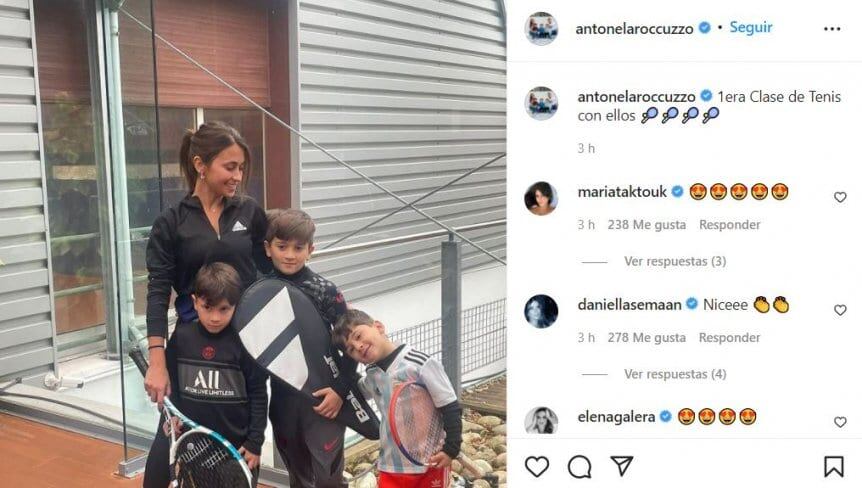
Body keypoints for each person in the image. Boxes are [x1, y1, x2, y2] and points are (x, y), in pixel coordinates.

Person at [144, 121, 271, 408]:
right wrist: (157, 361)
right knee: (178, 438)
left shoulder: (249, 211)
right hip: (191, 347)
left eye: (241, 168)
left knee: (242, 438)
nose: (238, 176)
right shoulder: (171, 222)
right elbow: (158, 293)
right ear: (200, 164)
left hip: (245, 345)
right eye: (230, 167)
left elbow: (273, 273)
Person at [143, 263, 267, 488]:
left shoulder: (246, 342)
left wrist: (255, 442)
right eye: (207, 307)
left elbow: (259, 394)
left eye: (224, 309)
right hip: (194, 449)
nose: (215, 317)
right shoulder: (182, 337)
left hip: (237, 452)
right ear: (194, 302)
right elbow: (174, 386)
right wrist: (172, 416)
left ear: (235, 306)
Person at [264, 209, 354, 488]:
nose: (290, 254)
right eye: (282, 247)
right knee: (298, 474)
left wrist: (340, 390)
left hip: (322, 399)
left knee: (328, 477)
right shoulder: (260, 289)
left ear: (310, 250)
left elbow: (350, 345)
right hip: (283, 397)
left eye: (298, 247)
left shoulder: (324, 290)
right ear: (268, 249)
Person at [332, 309, 463, 488]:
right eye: (351, 349)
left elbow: (450, 406)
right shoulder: (372, 375)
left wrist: (451, 449)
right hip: (391, 464)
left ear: (378, 327)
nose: (359, 346)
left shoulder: (419, 363)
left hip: (429, 461)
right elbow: (356, 391)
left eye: (359, 336)